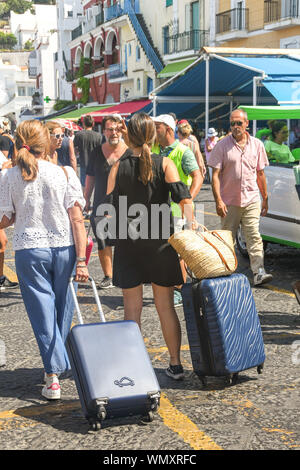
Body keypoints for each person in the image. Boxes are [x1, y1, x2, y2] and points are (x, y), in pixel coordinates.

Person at [0, 120, 88, 400]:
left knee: (43, 313)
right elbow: (77, 219)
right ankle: (56, 367)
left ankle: (52, 375)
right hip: (64, 247)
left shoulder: (9, 176)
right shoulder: (64, 172)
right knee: (63, 310)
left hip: (29, 248)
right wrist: (83, 259)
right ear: (47, 143)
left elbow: (6, 217)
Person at [106, 112, 194, 380]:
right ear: (152, 136)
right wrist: (189, 229)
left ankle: (133, 365)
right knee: (165, 306)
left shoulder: (116, 166)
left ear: (128, 136)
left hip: (128, 244)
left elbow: (108, 212)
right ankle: (176, 364)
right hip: (160, 243)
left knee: (132, 309)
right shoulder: (165, 163)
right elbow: (186, 201)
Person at [209, 109, 273, 286]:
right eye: (232, 123)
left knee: (253, 235)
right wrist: (218, 200)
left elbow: (260, 173)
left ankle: (258, 271)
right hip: (229, 201)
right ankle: (227, 273)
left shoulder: (257, 145)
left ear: (247, 124)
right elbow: (215, 175)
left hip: (251, 198)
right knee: (226, 238)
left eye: (239, 123)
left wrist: (265, 198)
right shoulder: (222, 146)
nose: (235, 127)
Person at [152, 114, 203, 306]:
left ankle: (179, 289)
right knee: (165, 252)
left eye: (156, 127)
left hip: (177, 212)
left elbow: (197, 176)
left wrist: (187, 199)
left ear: (167, 129)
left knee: (178, 253)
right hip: (157, 212)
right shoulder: (154, 149)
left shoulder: (183, 151)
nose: (153, 130)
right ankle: (170, 286)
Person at [84, 115, 131, 289]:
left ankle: (125, 272)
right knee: (103, 241)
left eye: (117, 129)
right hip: (101, 204)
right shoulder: (97, 152)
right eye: (110, 129)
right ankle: (108, 276)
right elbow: (90, 177)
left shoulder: (130, 151)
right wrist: (86, 199)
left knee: (125, 240)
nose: (113, 133)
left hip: (127, 205)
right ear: (103, 131)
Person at [74, 115, 102, 188]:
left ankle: (85, 199)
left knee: (84, 186)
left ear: (83, 124)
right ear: (93, 124)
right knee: (96, 186)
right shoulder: (99, 136)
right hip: (96, 164)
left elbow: (75, 149)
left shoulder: (78, 135)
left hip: (84, 163)